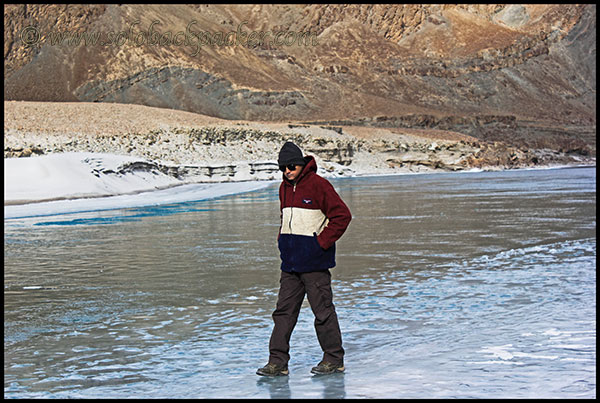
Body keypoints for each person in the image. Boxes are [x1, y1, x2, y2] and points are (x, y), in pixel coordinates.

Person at [257, 141, 352, 377]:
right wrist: (282, 241)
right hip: (290, 265)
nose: (286, 171)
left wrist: (319, 244)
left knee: (323, 312)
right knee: (283, 314)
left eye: (290, 166)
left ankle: (334, 359)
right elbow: (286, 219)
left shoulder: (319, 186)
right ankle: (277, 363)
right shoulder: (284, 188)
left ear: (300, 164)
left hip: (314, 264)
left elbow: (342, 216)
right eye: (282, 167)